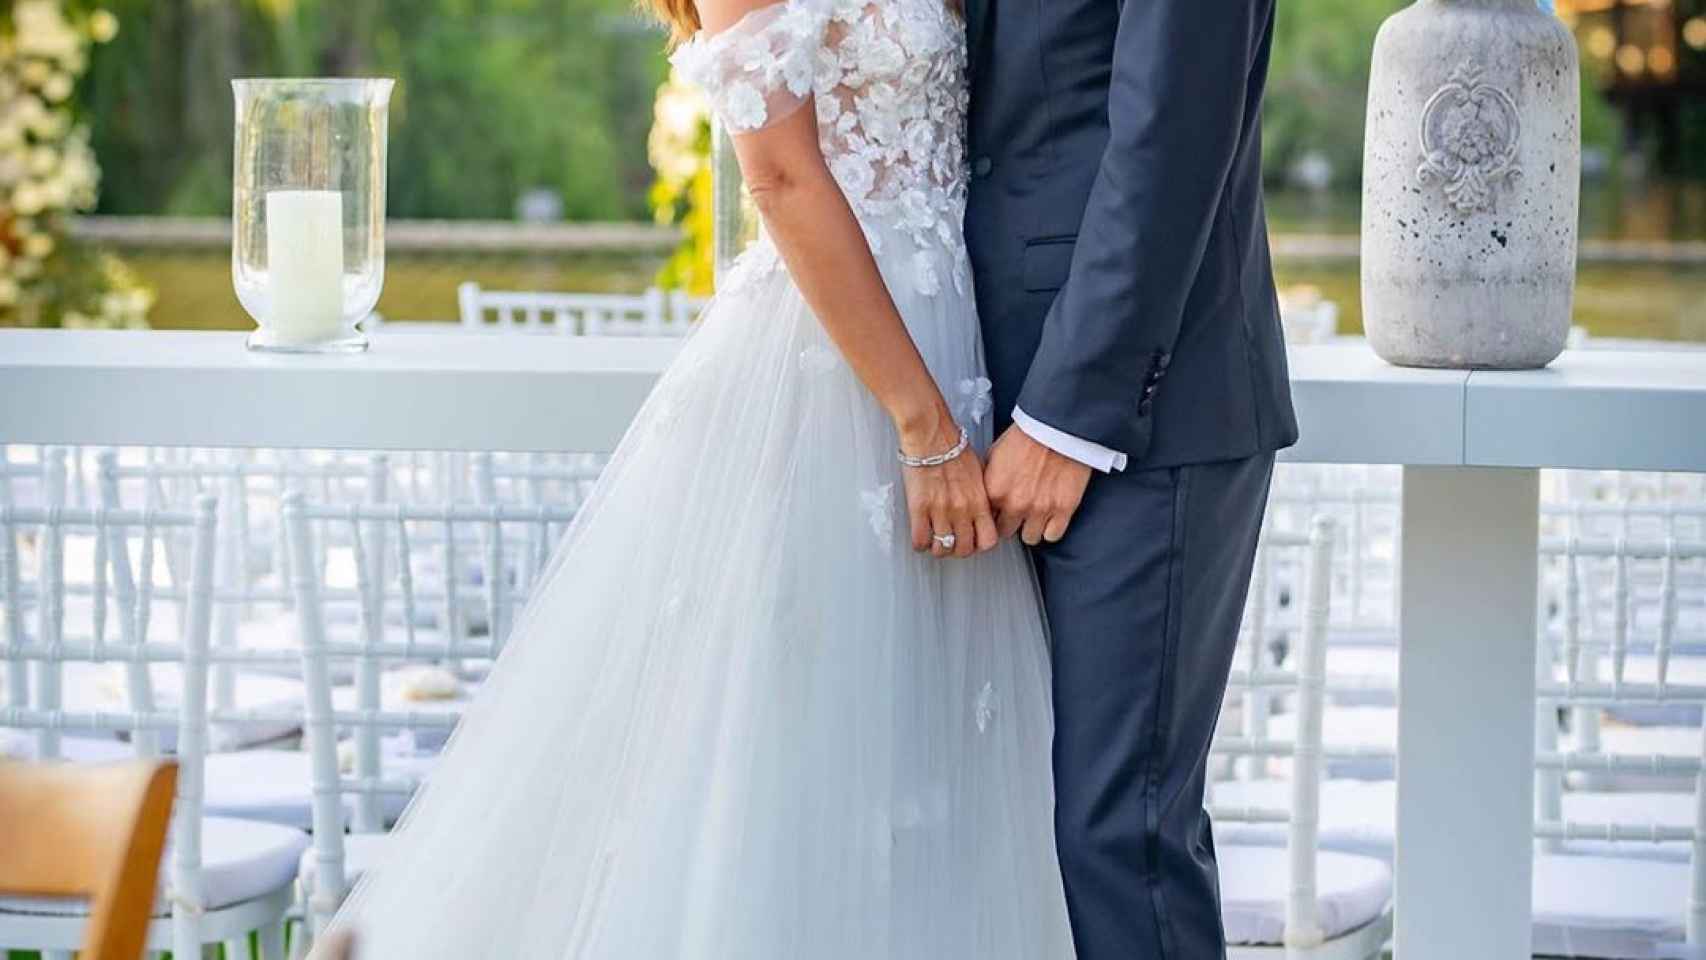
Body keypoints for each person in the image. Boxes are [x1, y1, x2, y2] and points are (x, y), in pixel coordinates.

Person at [325, 0, 1074, 955]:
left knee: (930, 769)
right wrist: (922, 426)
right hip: (852, 379)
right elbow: (783, 175)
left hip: (961, 340)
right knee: (788, 752)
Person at [966, 0, 1298, 955]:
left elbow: (1173, 133)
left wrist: (1068, 419)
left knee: (1122, 838)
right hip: (973, 395)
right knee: (995, 817)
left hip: (1144, 418)